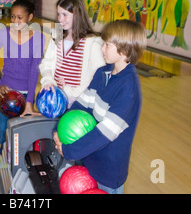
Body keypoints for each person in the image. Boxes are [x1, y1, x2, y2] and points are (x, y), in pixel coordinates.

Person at [54, 19, 147, 194]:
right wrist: (59, 129)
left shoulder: (129, 89)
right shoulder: (102, 73)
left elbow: (105, 133)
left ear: (125, 50)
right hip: (89, 159)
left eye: (107, 45)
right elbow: (81, 105)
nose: (102, 48)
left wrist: (69, 150)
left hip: (109, 171)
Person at [0, 0, 45, 169]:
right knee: (3, 129)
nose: (15, 21)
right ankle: (3, 156)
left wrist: (29, 102)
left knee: (25, 130)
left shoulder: (38, 38)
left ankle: (25, 158)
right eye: (12, 17)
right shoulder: (2, 34)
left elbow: (34, 71)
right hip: (7, 92)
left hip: (26, 92)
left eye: (20, 17)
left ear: (30, 17)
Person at [39, 0, 106, 107]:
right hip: (56, 99)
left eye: (65, 15)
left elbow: (97, 76)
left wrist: (70, 90)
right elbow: (46, 64)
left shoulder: (92, 43)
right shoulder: (58, 35)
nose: (60, 19)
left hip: (80, 103)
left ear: (77, 15)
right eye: (59, 14)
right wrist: (48, 80)